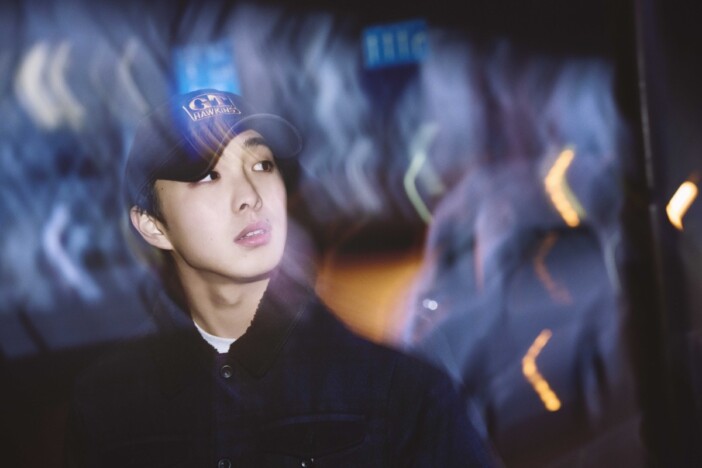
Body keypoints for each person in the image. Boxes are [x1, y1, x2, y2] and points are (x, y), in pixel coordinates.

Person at [63, 88, 497, 467]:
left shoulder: (402, 393)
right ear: (153, 225)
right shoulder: (108, 403)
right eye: (209, 175)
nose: (250, 197)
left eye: (262, 165)